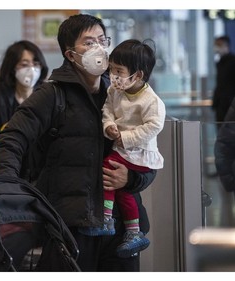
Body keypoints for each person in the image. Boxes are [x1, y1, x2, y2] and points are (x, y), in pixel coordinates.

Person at [0, 14, 157, 272]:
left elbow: (149, 157)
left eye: (102, 40)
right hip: (70, 227)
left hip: (122, 229)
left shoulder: (123, 96)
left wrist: (131, 179)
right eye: (88, 43)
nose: (99, 48)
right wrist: (9, 193)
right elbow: (11, 139)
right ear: (70, 54)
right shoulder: (52, 95)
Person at [78, 39, 165, 259]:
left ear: (138, 76)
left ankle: (106, 218)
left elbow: (154, 125)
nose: (113, 75)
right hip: (123, 148)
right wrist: (109, 126)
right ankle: (133, 231)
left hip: (139, 153)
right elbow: (107, 110)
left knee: (108, 167)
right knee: (124, 191)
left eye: (119, 71)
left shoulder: (151, 101)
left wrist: (125, 137)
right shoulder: (115, 90)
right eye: (112, 69)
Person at [0, 40, 49, 175]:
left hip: (39, 173)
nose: (31, 69)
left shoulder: (47, 96)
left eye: (36, 64)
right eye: (24, 64)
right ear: (12, 68)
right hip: (2, 170)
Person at [211, 35, 235, 130]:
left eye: (219, 45)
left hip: (231, 106)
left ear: (226, 46)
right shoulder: (220, 63)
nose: (216, 47)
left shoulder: (233, 62)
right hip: (220, 106)